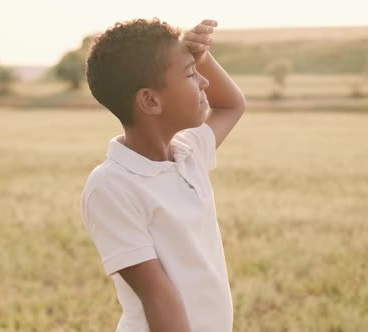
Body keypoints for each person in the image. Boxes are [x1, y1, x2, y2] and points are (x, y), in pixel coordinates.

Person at [80, 17, 246, 332]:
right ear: (150, 100)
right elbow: (158, 297)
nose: (204, 81)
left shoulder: (188, 153)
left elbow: (231, 105)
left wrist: (201, 57)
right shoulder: (111, 186)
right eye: (190, 74)